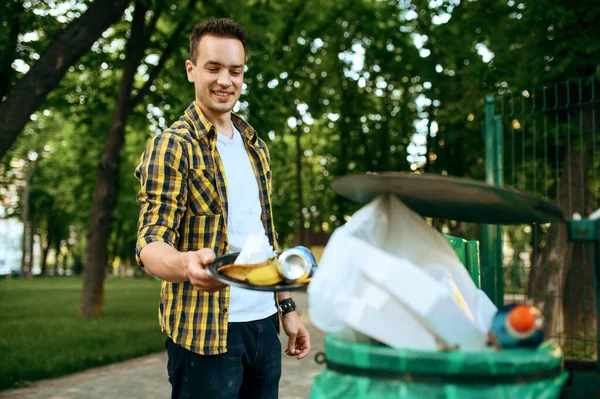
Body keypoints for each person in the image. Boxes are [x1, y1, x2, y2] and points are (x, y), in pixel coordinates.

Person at [134, 18, 311, 399]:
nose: (224, 81)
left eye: (235, 71)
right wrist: (186, 266)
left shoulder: (254, 145)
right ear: (191, 69)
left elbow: (264, 237)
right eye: (213, 68)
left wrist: (288, 308)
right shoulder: (173, 146)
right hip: (206, 333)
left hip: (264, 327)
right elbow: (150, 242)